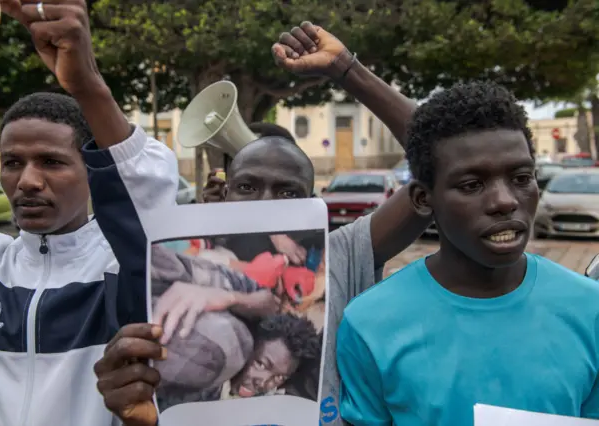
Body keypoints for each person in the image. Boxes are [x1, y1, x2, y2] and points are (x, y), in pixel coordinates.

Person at [94, 22, 428, 426]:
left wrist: (346, 70)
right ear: (224, 193)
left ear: (313, 202)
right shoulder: (191, 254)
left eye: (288, 192)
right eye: (247, 187)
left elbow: (436, 159)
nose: (266, 203)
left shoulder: (343, 250)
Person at [0, 1, 178, 425]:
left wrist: (88, 85)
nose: (27, 181)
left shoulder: (123, 269)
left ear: (92, 170)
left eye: (52, 162)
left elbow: (153, 203)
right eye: (12, 162)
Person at [336, 81, 599, 426]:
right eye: (472, 185)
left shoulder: (590, 308)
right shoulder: (368, 323)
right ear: (422, 199)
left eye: (521, 177)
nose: (505, 201)